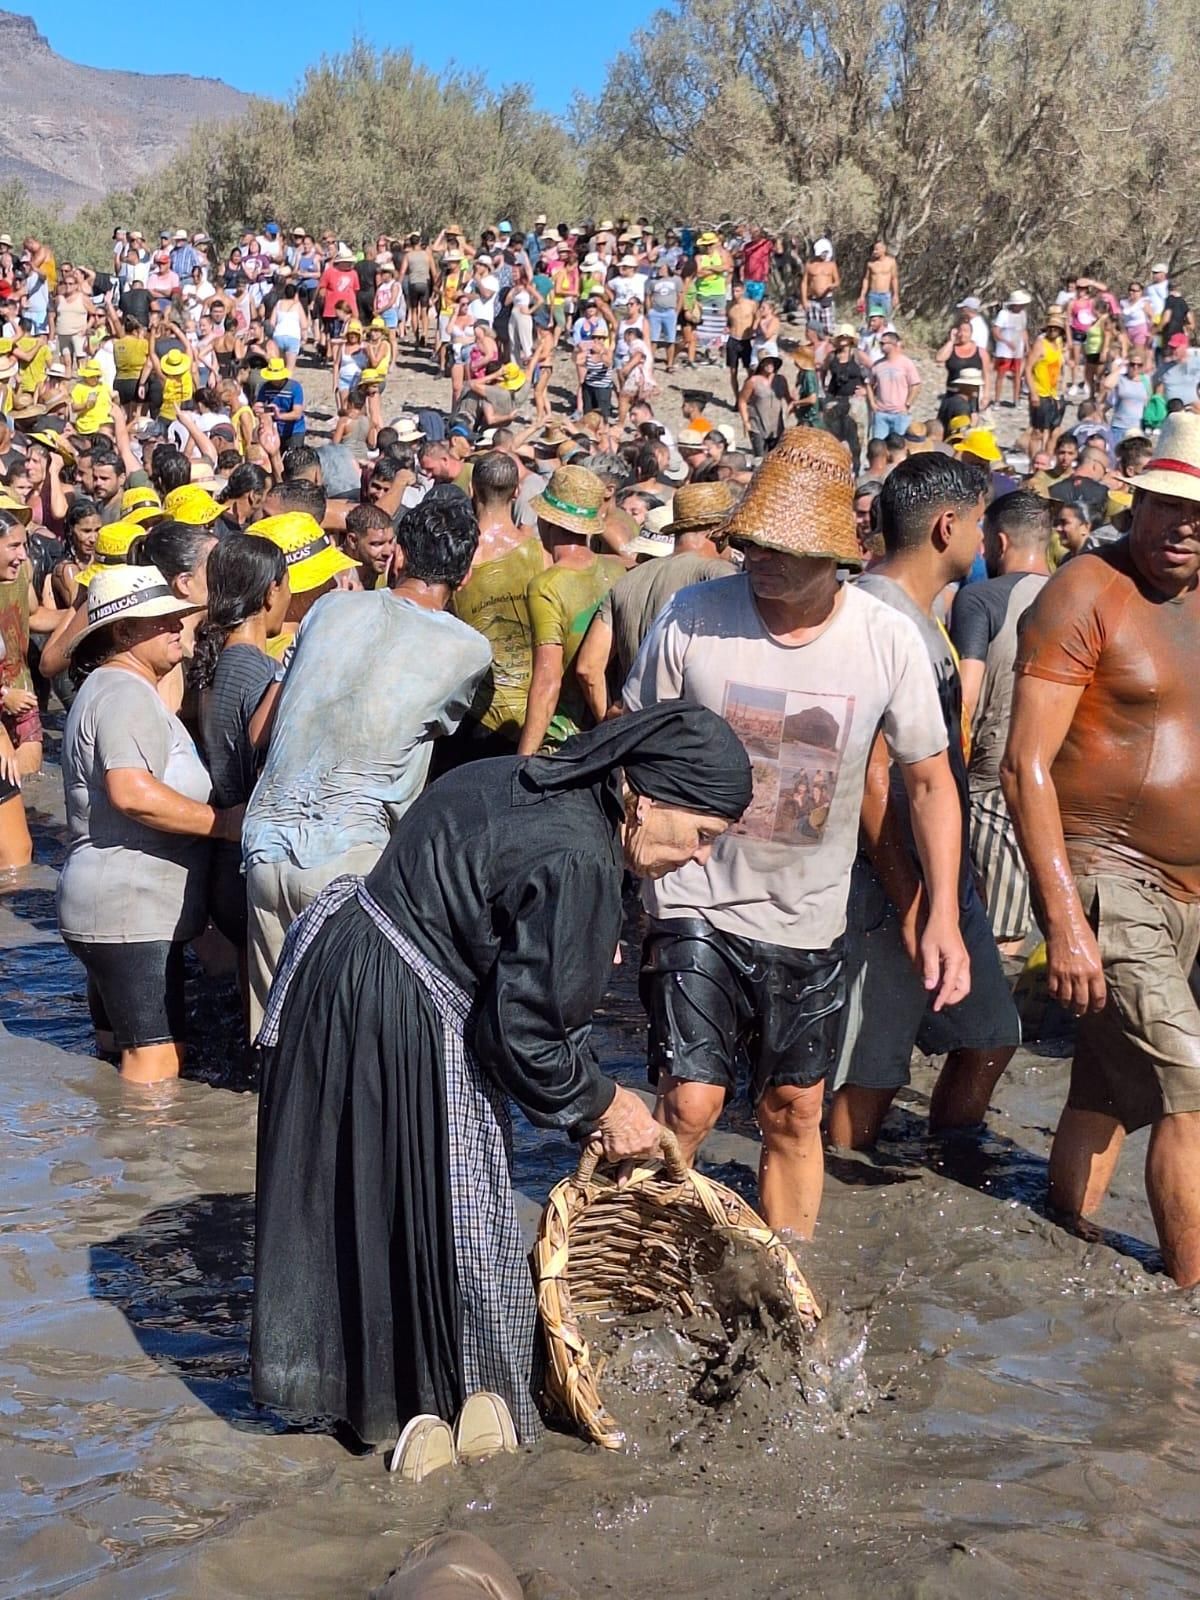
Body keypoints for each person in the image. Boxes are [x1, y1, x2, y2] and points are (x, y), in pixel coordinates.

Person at [251, 700, 752, 1458]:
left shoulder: (522, 775)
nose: (702, 856)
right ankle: (477, 1416)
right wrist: (607, 1104)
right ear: (646, 796)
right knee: (461, 1230)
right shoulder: (580, 855)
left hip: (343, 959)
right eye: (704, 834)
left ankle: (358, 1406)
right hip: (402, 1009)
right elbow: (519, 1039)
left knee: (356, 1199)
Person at [623, 427, 969, 1236]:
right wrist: (621, 864)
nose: (759, 560)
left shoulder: (884, 641)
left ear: (835, 554)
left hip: (809, 914)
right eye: (750, 543)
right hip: (692, 895)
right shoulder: (695, 617)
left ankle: (792, 1292)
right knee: (694, 1099)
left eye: (781, 548)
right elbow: (631, 742)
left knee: (792, 1109)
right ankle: (638, 1253)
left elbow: (929, 782)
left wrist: (942, 912)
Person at [1001, 411, 1200, 1286]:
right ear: (1140, 502)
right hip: (1105, 876)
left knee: (1109, 1086)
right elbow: (1022, 765)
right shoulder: (1086, 589)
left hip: (1184, 892)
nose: (1184, 527)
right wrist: (1064, 922)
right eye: (1168, 508)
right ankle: (1191, 1296)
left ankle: (1062, 1246)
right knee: (1193, 1082)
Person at [827, 455, 1021, 1150]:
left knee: (992, 1034)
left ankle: (950, 1164)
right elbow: (873, 778)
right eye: (977, 521)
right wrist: (914, 901)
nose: (983, 538)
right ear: (948, 526)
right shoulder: (880, 619)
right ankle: (839, 1219)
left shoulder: (914, 613)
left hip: (931, 876)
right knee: (869, 1072)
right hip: (886, 885)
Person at [242, 496, 492, 1030]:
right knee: (344, 1046)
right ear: (466, 574)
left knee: (274, 1045)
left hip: (264, 842)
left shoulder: (328, 609)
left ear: (396, 555)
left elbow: (264, 728)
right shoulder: (469, 649)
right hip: (350, 857)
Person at [56, 565, 243, 1084]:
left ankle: (105, 1159)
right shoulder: (123, 693)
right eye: (162, 621)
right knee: (156, 1067)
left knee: (116, 1058)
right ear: (124, 633)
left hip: (107, 905)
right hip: (128, 911)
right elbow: (131, 791)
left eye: (177, 618)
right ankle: (149, 1164)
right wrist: (223, 823)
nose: (178, 628)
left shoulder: (111, 687)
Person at [950, 491, 1051, 952]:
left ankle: (997, 1023)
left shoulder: (981, 599)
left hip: (995, 785)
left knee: (1000, 935)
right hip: (1060, 783)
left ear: (1000, 541)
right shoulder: (1080, 595)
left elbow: (965, 699)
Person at [192, 534, 291, 950]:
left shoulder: (211, 666)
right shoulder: (262, 673)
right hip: (252, 865)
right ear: (271, 592)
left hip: (221, 865)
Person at [575, 480, 737, 722]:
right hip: (690, 735)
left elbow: (587, 668)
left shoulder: (628, 580)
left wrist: (610, 727)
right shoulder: (721, 576)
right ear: (719, 532)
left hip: (636, 730)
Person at [517, 466, 625, 755]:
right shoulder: (616, 569)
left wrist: (522, 758)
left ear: (546, 521)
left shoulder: (546, 586)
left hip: (562, 735)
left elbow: (548, 681)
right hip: (604, 727)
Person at [447, 450, 546, 756]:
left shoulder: (458, 557)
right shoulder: (539, 555)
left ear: (472, 489)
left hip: (471, 705)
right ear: (517, 492)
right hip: (529, 706)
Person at [1026, 309, 1067, 457]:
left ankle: (1047, 460)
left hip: (1054, 393)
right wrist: (1033, 393)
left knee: (1054, 431)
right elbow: (1028, 368)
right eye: (1051, 328)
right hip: (1040, 392)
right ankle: (1033, 463)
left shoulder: (1058, 344)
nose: (1053, 331)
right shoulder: (1040, 344)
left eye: (1056, 328)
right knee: (1038, 431)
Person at [868, 330, 922, 440]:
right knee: (879, 445)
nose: (881, 346)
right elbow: (869, 384)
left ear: (893, 344)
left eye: (884, 343)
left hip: (899, 414)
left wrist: (907, 404)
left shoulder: (906, 363)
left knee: (898, 446)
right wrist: (872, 403)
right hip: (881, 413)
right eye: (880, 343)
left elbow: (915, 385)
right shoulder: (877, 365)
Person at [801, 238, 839, 338]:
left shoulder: (831, 265)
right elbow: (804, 283)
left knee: (828, 329)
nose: (823, 255)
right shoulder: (810, 265)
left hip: (826, 299)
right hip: (813, 300)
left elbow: (837, 281)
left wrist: (832, 286)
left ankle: (827, 348)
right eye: (822, 253)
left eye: (825, 253)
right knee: (813, 328)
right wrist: (804, 300)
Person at [859, 240, 900, 319]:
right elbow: (866, 279)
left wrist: (895, 295)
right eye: (874, 249)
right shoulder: (870, 263)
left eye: (877, 249)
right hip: (873, 295)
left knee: (886, 320)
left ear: (883, 249)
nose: (875, 252)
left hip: (885, 295)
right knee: (871, 319)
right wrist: (862, 295)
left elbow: (894, 278)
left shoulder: (891, 262)